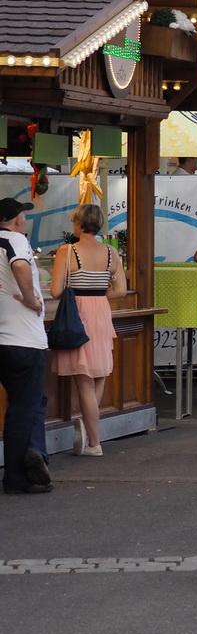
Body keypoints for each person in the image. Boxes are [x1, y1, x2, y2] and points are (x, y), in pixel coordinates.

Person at [49, 203, 126, 455]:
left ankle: (95, 442)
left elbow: (56, 291)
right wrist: (98, 290)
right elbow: (120, 291)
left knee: (83, 380)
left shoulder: (67, 251)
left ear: (78, 224)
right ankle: (90, 429)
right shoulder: (111, 253)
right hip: (101, 311)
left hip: (79, 312)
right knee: (98, 374)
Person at [0, 197, 50, 495]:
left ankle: (36, 459)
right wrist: (31, 298)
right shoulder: (16, 240)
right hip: (22, 338)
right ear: (18, 218)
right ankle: (18, 478)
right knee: (23, 409)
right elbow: (20, 265)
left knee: (28, 406)